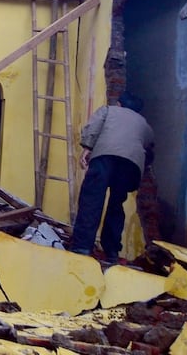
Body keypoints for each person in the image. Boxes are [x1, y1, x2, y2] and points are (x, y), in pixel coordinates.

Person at [70, 92, 154, 262]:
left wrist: (87, 147)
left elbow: (94, 126)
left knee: (92, 200)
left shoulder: (108, 110)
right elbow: (150, 146)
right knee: (116, 204)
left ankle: (82, 247)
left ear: (119, 104)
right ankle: (112, 251)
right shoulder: (144, 123)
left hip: (104, 156)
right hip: (130, 165)